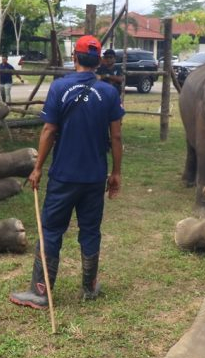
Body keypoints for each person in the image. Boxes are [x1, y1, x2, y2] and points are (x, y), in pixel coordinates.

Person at [9, 34, 124, 309]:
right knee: (91, 230)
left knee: (50, 230)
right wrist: (116, 173)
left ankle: (40, 292)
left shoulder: (59, 87)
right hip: (95, 176)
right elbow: (116, 137)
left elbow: (49, 129)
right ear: (98, 62)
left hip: (63, 176)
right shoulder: (108, 92)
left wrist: (37, 168)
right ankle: (89, 287)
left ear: (75, 58)